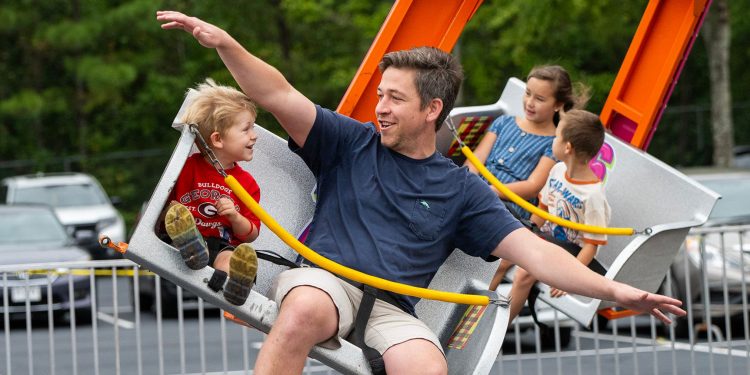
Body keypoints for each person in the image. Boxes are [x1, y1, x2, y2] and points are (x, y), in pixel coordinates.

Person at [156, 11, 685, 375]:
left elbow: (538, 254)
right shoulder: (349, 141)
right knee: (306, 309)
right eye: (379, 95)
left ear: (432, 110)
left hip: (392, 311)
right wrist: (225, 43)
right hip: (325, 282)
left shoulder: (463, 191)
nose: (379, 107)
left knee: (428, 365)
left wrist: (615, 290)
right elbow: (276, 93)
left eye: (393, 99)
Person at [466, 65, 589, 291]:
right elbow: (475, 161)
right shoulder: (504, 123)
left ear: (558, 105)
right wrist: (468, 184)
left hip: (510, 208)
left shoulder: (553, 143)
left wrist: (490, 191)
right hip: (475, 194)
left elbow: (533, 186)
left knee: (498, 260)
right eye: (528, 93)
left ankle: (471, 311)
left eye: (540, 98)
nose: (530, 102)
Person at [503, 109, 611, 323]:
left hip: (570, 252)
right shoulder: (557, 170)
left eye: (557, 136)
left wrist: (570, 277)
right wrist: (522, 234)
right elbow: (542, 210)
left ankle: (499, 325)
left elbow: (591, 245)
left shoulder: (593, 195)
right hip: (548, 239)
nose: (554, 139)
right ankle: (480, 313)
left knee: (524, 274)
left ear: (567, 147)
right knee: (503, 258)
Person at [163, 78, 260, 306]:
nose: (254, 135)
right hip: (181, 240)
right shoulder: (186, 167)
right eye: (246, 129)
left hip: (218, 243)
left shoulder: (247, 183)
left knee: (229, 256)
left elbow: (251, 233)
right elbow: (162, 207)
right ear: (217, 139)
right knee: (177, 218)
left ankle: (234, 281)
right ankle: (192, 247)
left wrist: (235, 217)